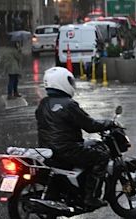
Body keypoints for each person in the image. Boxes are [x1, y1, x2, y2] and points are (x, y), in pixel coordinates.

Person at [35, 67, 115, 209]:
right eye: (69, 81)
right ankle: (90, 197)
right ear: (61, 82)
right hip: (68, 150)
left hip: (48, 150)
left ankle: (75, 188)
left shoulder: (43, 103)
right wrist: (109, 123)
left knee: (90, 147)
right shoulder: (69, 104)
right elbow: (89, 125)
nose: (72, 84)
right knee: (102, 155)